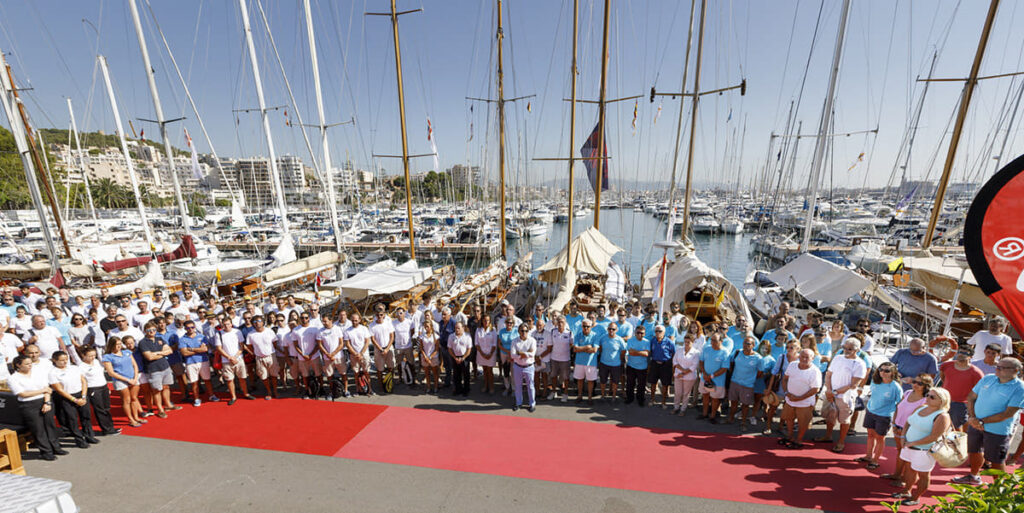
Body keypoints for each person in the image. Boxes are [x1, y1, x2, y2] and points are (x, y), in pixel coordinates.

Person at [951, 358, 1024, 485]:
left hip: (998, 430)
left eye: (1002, 367)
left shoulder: (1020, 388)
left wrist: (980, 421)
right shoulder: (988, 378)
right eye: (998, 366)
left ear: (1016, 371)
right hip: (976, 424)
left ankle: (1000, 489)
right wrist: (973, 418)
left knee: (996, 460)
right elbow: (971, 397)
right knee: (974, 452)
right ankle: (973, 476)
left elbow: (1008, 413)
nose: (997, 369)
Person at [890, 387, 952, 507]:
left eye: (932, 397)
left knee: (923, 474)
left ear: (942, 401)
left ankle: (916, 497)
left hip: (924, 451)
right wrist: (903, 438)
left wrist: (911, 443)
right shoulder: (921, 408)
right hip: (909, 446)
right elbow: (908, 422)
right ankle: (907, 490)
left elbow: (934, 437)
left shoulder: (942, 416)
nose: (927, 398)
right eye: (928, 395)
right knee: (909, 469)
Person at [7, 354, 65, 460]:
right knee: (38, 428)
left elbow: (47, 388)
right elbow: (22, 394)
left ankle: (56, 447)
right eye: (27, 364)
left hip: (44, 400)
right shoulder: (13, 378)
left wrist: (47, 402)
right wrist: (42, 391)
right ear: (18, 365)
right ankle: (46, 451)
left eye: (31, 363)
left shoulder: (38, 372)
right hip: (28, 405)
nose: (30, 365)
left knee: (50, 425)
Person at [817, 337, 867, 453]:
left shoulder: (860, 364)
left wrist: (834, 393)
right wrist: (829, 390)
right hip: (831, 394)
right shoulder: (838, 358)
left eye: (850, 349)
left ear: (857, 350)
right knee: (830, 416)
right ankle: (828, 436)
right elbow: (829, 374)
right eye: (844, 348)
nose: (846, 350)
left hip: (845, 397)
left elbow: (853, 385)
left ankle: (841, 441)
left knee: (844, 420)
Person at [881, 374, 932, 484]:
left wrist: (905, 430)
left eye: (920, 383)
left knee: (909, 456)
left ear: (926, 386)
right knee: (901, 452)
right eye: (914, 381)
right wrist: (894, 424)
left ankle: (906, 479)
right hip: (898, 428)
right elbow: (898, 408)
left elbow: (921, 419)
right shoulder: (907, 393)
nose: (916, 385)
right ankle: (897, 474)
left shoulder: (926, 401)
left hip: (911, 432)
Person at [48, 350, 97, 448]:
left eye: (66, 359)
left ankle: (89, 435)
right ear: (55, 360)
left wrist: (83, 396)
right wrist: (74, 400)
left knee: (86, 416)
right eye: (61, 360)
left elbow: (83, 381)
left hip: (80, 394)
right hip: (67, 398)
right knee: (72, 419)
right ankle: (79, 439)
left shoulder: (74, 368)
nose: (65, 362)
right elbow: (59, 389)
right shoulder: (53, 373)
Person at [860, 362, 902, 469]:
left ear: (893, 372)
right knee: (870, 435)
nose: (882, 372)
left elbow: (900, 404)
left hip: (884, 415)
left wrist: (896, 420)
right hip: (870, 411)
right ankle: (868, 456)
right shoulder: (875, 381)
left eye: (887, 370)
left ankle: (875, 460)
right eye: (881, 369)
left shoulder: (895, 387)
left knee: (880, 438)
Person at [779, 348, 822, 448]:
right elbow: (785, 379)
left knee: (803, 423)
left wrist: (799, 398)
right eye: (802, 356)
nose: (804, 359)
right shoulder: (792, 365)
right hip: (790, 400)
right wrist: (786, 392)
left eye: (807, 357)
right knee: (789, 419)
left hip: (805, 403)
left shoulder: (815, 372)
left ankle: (799, 440)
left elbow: (815, 389)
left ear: (812, 358)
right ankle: (790, 437)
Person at [138, 323, 179, 417]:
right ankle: (160, 409)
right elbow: (149, 357)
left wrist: (157, 353)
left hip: (165, 367)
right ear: (145, 331)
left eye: (153, 329)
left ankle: (168, 405)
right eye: (149, 330)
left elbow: (169, 351)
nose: (152, 331)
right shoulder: (143, 342)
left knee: (166, 387)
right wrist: (163, 353)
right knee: (156, 390)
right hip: (153, 370)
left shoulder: (159, 339)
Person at [938, 347, 985, 430]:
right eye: (960, 352)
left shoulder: (976, 373)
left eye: (965, 353)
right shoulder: (946, 365)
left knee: (957, 426)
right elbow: (943, 378)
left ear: (971, 356)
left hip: (960, 404)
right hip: (943, 400)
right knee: (939, 423)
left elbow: (979, 391)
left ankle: (959, 441)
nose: (961, 354)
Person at [101, 337, 142, 427]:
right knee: (126, 400)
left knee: (134, 398)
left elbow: (135, 365)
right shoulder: (107, 357)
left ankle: (136, 417)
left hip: (133, 378)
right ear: (112, 345)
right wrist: (128, 380)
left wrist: (135, 378)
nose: (119, 346)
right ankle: (131, 419)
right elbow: (111, 373)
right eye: (117, 344)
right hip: (120, 380)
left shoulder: (127, 352)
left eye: (120, 344)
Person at [79, 346, 119, 435]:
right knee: (100, 409)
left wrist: (107, 387)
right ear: (83, 356)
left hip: (103, 386)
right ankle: (106, 429)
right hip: (93, 388)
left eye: (94, 355)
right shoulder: (81, 367)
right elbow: (82, 380)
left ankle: (110, 426)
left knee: (107, 408)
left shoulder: (97, 362)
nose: (92, 358)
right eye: (90, 356)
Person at [176, 320, 217, 407]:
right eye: (188, 328)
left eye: (192, 327)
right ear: (185, 329)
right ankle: (196, 398)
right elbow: (184, 353)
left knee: (207, 380)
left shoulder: (201, 336)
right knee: (194, 382)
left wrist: (190, 349)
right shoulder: (182, 339)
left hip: (203, 361)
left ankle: (211, 395)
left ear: (195, 327)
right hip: (190, 363)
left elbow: (205, 349)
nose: (190, 329)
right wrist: (198, 350)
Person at [727, 335, 764, 431]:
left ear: (753, 345)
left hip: (747, 385)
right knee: (733, 402)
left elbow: (760, 373)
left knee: (745, 405)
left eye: (748, 344)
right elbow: (731, 364)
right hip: (735, 382)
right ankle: (730, 418)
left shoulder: (758, 358)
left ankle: (743, 422)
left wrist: (749, 379)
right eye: (744, 343)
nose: (745, 345)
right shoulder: (737, 352)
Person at [699, 332, 730, 423]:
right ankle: (704, 414)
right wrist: (704, 373)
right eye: (711, 340)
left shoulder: (725, 352)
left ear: (721, 341)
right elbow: (701, 362)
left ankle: (712, 416)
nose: (712, 342)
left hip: (718, 381)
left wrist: (711, 376)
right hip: (704, 378)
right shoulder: (707, 349)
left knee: (715, 399)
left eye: (714, 341)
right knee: (705, 395)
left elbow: (724, 369)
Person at [247, 316, 279, 399]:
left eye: (259, 321)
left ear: (263, 322)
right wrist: (256, 353)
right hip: (259, 358)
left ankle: (275, 391)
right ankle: (269, 391)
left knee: (274, 375)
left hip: (271, 356)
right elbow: (249, 346)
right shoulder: (250, 334)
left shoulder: (269, 331)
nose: (257, 323)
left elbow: (275, 343)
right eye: (255, 322)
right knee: (264, 376)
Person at [510, 322, 537, 412]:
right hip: (517, 366)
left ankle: (532, 404)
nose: (524, 332)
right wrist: (525, 354)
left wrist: (520, 353)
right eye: (522, 331)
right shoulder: (514, 341)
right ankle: (518, 403)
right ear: (518, 331)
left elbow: (532, 354)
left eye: (526, 331)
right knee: (518, 386)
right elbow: (512, 355)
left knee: (531, 386)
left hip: (529, 366)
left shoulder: (532, 341)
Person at [344, 313, 374, 395]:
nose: (354, 322)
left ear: (359, 320)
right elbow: (347, 344)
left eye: (356, 320)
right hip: (354, 355)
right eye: (353, 320)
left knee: (366, 372)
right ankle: (358, 389)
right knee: (356, 373)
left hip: (364, 354)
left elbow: (367, 341)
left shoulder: (364, 329)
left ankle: (369, 388)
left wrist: (361, 353)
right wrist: (355, 354)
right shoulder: (347, 331)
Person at [316, 315, 346, 397]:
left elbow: (341, 343)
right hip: (327, 358)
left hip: (339, 356)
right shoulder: (320, 331)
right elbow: (320, 344)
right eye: (323, 321)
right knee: (329, 375)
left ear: (331, 320)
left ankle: (345, 390)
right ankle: (331, 390)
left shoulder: (337, 329)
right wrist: (327, 354)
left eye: (325, 321)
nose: (324, 323)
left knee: (343, 373)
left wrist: (333, 353)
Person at [369, 306, 397, 392]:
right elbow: (373, 339)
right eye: (377, 315)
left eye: (381, 314)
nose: (379, 316)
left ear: (384, 315)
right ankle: (381, 386)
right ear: (375, 315)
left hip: (388, 348)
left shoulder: (388, 323)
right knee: (379, 369)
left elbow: (392, 337)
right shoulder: (371, 325)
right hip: (378, 350)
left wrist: (387, 348)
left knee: (391, 367)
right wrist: (381, 349)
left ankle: (390, 383)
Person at [647, 325, 676, 408]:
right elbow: (651, 352)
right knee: (653, 383)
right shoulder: (653, 341)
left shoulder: (669, 342)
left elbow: (673, 354)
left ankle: (663, 402)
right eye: (656, 331)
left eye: (660, 331)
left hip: (666, 365)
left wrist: (672, 365)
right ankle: (652, 400)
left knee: (665, 384)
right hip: (655, 364)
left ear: (664, 332)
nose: (658, 333)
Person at [573, 320, 601, 405]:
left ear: (591, 327)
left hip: (591, 363)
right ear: (581, 326)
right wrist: (587, 347)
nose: (586, 328)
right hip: (579, 362)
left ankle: (589, 397)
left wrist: (581, 349)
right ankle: (579, 396)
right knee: (580, 380)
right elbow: (575, 349)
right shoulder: (578, 335)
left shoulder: (595, 336)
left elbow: (594, 350)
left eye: (588, 326)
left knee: (590, 381)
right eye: (584, 326)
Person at [671, 333, 700, 415]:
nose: (686, 344)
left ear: (693, 342)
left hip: (689, 377)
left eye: (688, 342)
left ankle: (683, 409)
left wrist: (683, 373)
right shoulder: (679, 350)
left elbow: (693, 366)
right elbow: (675, 361)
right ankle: (676, 408)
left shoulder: (696, 353)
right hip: (678, 375)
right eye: (685, 342)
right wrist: (681, 371)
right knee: (677, 393)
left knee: (685, 394)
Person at [597, 322, 626, 401]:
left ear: (616, 330)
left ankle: (613, 396)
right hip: (604, 363)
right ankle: (603, 395)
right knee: (603, 380)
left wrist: (619, 359)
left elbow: (623, 350)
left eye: (613, 329)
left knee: (615, 381)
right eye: (609, 329)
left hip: (615, 364)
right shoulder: (603, 338)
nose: (611, 330)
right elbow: (600, 348)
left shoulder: (620, 340)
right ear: (607, 329)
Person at [547, 316, 573, 402]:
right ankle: (554, 392)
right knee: (553, 376)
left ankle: (565, 394)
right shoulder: (553, 332)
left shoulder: (569, 333)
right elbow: (550, 345)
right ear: (557, 323)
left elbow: (571, 345)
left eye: (562, 322)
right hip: (554, 358)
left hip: (565, 359)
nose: (560, 324)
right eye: (559, 322)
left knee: (566, 377)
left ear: (565, 323)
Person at [625, 326, 650, 406]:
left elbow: (646, 354)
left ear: (644, 334)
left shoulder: (647, 342)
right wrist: (641, 352)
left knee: (641, 385)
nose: (639, 334)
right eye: (638, 332)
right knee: (630, 384)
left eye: (641, 333)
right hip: (631, 366)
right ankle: (630, 398)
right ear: (635, 333)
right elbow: (630, 353)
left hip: (642, 367)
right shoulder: (630, 340)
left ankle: (640, 399)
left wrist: (635, 352)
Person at [449, 322, 473, 396]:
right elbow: (449, 348)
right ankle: (458, 389)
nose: (457, 329)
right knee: (456, 375)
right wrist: (455, 357)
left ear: (463, 328)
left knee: (466, 375)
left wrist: (463, 358)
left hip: (464, 357)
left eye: (458, 328)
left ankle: (466, 390)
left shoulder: (467, 336)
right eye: (456, 328)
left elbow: (469, 349)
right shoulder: (451, 336)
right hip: (455, 357)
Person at [392, 307, 416, 383]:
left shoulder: (409, 322)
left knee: (411, 363)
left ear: (404, 314)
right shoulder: (393, 323)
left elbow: (412, 332)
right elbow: (393, 334)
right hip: (398, 347)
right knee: (399, 364)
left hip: (408, 346)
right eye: (397, 313)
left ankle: (413, 378)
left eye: (401, 313)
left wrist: (408, 340)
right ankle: (400, 378)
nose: (399, 315)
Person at [475, 316, 498, 394]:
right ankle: (485, 385)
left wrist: (490, 354)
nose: (486, 322)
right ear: (482, 321)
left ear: (490, 321)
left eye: (488, 320)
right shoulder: (478, 330)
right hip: (481, 354)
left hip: (491, 354)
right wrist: (482, 354)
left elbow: (494, 344)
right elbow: (476, 343)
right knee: (484, 370)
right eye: (485, 320)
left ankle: (491, 387)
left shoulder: (493, 330)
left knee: (490, 371)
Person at [437, 308, 457, 389]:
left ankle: (456, 382)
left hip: (451, 348)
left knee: (453, 366)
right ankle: (447, 382)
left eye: (445, 314)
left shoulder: (453, 323)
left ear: (449, 315)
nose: (443, 316)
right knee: (446, 366)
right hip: (443, 347)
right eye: (442, 314)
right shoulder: (441, 323)